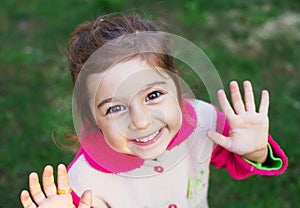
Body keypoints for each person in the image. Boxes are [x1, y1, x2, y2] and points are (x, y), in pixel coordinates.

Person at [20, 14, 288, 208]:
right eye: (114, 108)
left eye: (153, 95)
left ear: (177, 85)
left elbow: (234, 161)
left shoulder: (203, 121)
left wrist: (255, 151)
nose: (140, 120)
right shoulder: (85, 181)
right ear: (92, 119)